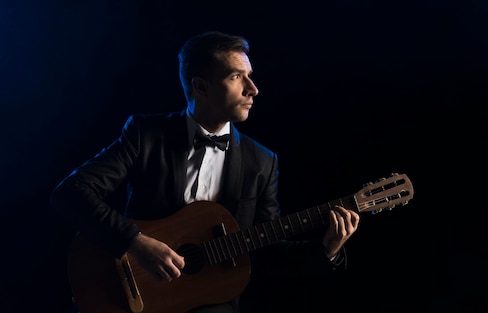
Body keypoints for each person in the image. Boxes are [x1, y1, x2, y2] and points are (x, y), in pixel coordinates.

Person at [50, 30, 360, 313]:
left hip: (208, 302)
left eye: (249, 77)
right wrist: (136, 242)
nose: (253, 89)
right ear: (201, 86)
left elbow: (267, 251)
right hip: (132, 295)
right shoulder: (146, 134)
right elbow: (71, 192)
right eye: (237, 77)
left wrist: (327, 249)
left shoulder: (261, 162)